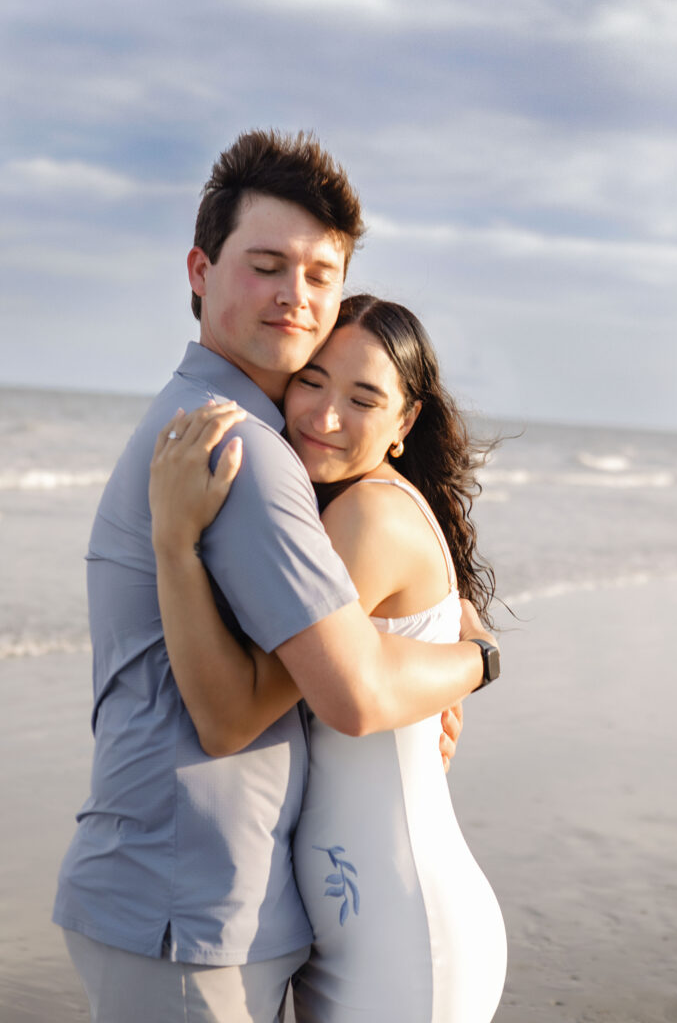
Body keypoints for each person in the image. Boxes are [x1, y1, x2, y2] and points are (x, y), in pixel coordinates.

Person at [53, 130, 493, 1023]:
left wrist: (452, 630)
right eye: (266, 265)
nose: (296, 297)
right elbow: (340, 694)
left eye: (319, 276)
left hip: (207, 899)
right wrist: (477, 659)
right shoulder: (239, 448)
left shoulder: (228, 431)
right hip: (187, 904)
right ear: (199, 270)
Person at [148, 294, 506, 1022]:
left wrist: (173, 543)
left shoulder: (365, 516)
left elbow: (229, 717)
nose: (324, 415)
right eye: (311, 379)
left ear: (405, 424)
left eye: (363, 398)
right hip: (360, 926)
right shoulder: (347, 509)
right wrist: (472, 656)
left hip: (405, 939)